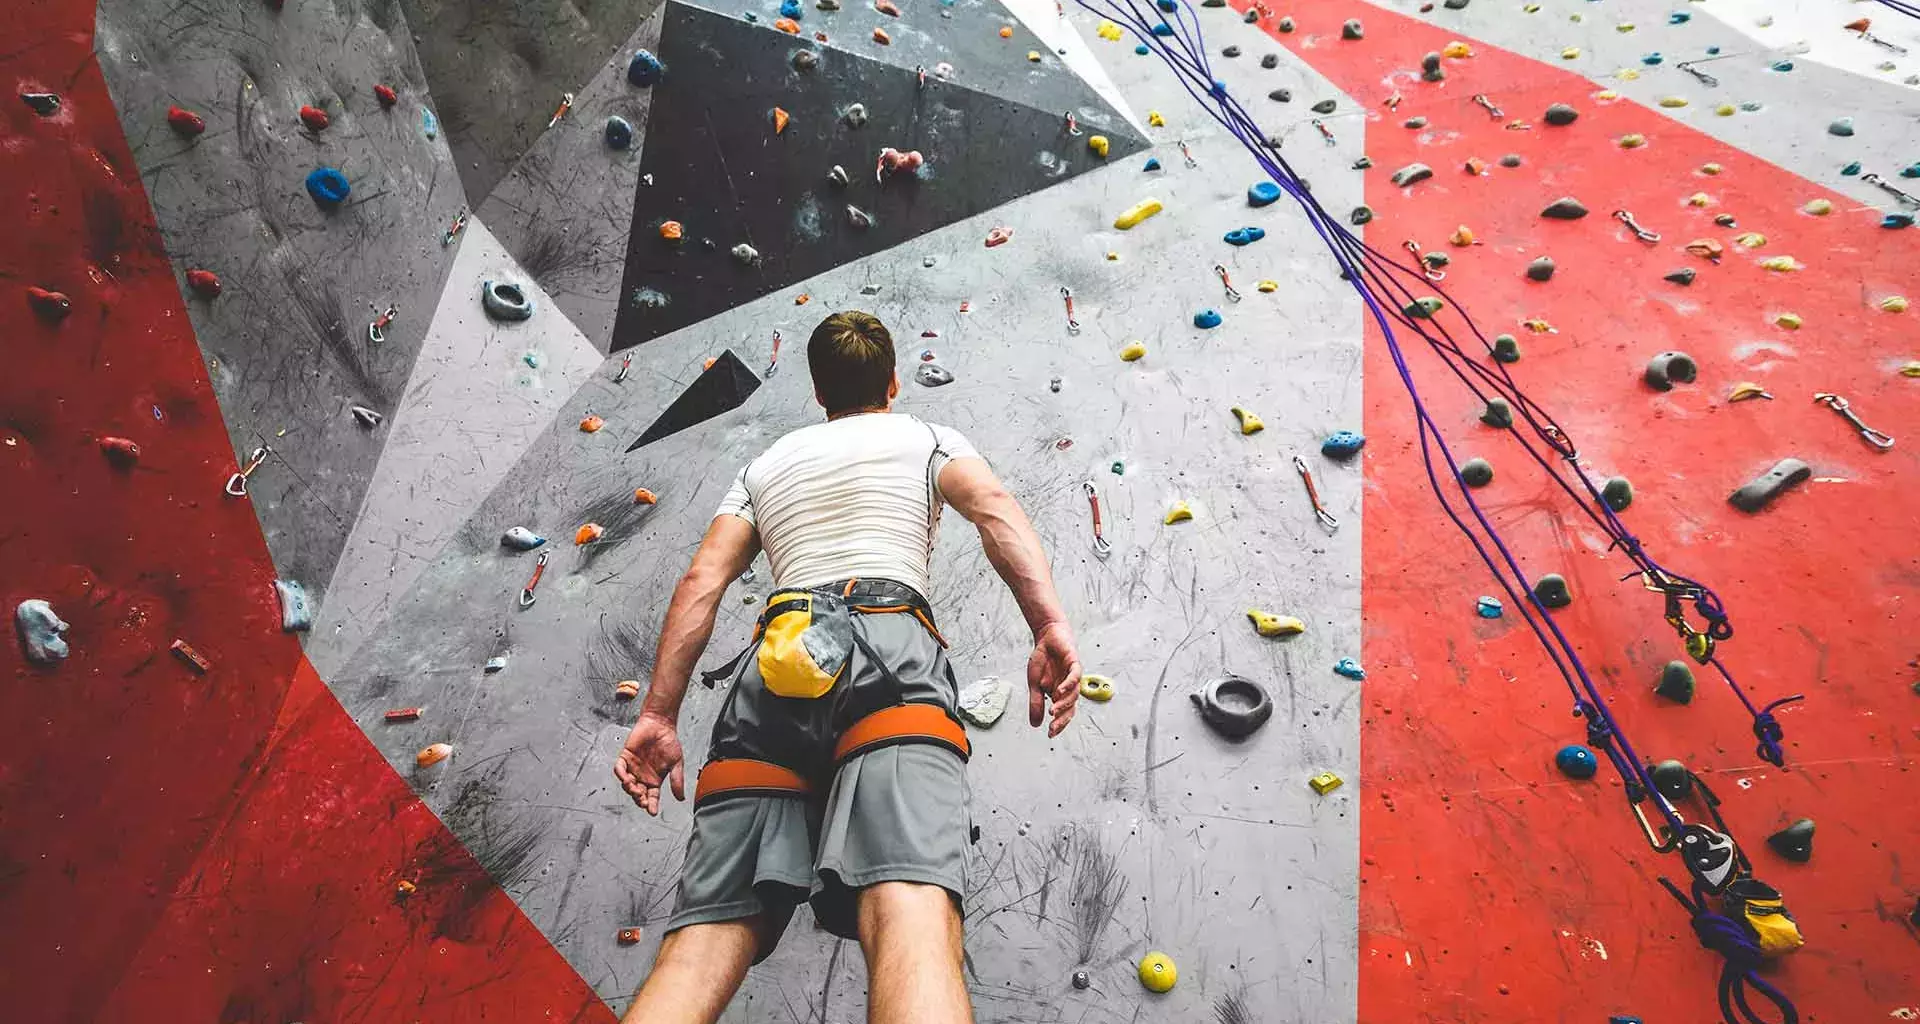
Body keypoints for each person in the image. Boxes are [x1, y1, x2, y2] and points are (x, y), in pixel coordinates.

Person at [613, 311, 1083, 1024]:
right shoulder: (928, 439)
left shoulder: (765, 466)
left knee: (702, 943)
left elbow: (703, 581)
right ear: (893, 382)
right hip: (890, 658)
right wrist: (1047, 625)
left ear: (818, 393)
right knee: (910, 915)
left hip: (777, 666)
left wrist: (658, 715)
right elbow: (995, 513)